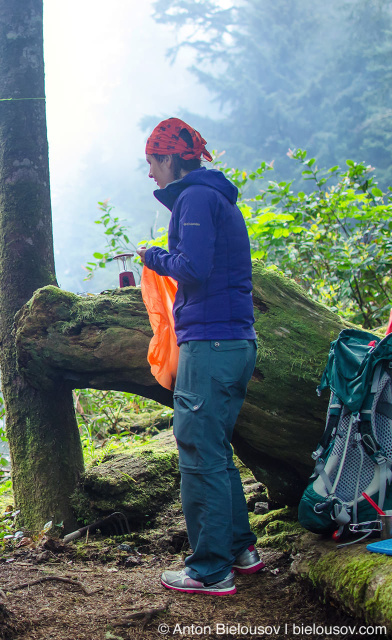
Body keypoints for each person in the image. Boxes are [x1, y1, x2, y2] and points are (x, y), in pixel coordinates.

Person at [137, 118, 262, 596]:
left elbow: (192, 267)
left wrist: (153, 255)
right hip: (233, 341)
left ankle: (210, 568)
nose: (150, 173)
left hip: (210, 344)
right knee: (215, 448)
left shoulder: (194, 197)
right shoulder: (214, 197)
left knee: (195, 447)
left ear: (170, 159)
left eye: (152, 162)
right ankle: (240, 549)